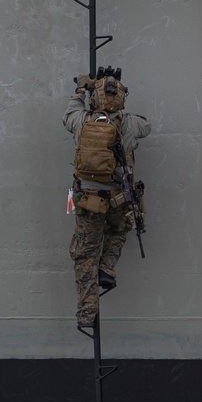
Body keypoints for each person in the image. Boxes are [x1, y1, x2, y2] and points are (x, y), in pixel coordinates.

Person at [64, 66, 151, 329]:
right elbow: (147, 126)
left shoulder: (82, 121)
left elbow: (68, 114)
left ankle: (87, 313)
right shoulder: (129, 123)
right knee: (119, 229)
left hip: (87, 200)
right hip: (118, 199)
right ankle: (108, 269)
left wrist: (83, 89)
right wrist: (118, 100)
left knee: (84, 255)